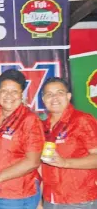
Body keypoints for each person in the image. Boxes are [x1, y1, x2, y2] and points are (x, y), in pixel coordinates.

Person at [0, 69, 44, 209]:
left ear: (22, 94)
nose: (9, 96)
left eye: (14, 91)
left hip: (16, 195)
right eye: (4, 90)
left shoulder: (29, 120)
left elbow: (32, 161)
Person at [40, 77, 97, 209]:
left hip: (79, 200)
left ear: (68, 96)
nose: (54, 98)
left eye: (59, 93)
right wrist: (39, 200)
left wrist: (65, 162)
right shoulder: (42, 126)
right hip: (50, 199)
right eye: (49, 94)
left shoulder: (82, 120)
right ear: (43, 100)